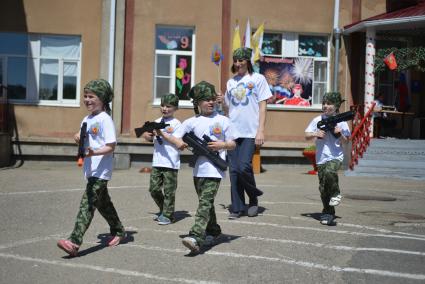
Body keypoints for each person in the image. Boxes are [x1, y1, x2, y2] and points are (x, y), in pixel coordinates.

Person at [158, 81, 236, 254]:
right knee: (206, 203)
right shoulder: (191, 122)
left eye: (212, 99)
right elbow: (176, 137)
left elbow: (233, 143)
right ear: (198, 103)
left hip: (215, 169)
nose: (210, 102)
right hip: (198, 170)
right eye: (206, 100)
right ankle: (214, 230)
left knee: (204, 203)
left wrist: (222, 144)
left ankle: (195, 236)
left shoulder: (223, 120)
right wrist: (179, 143)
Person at [57, 79, 126, 257]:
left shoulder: (105, 119)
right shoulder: (87, 119)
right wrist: (78, 137)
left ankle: (74, 241)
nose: (87, 100)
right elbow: (84, 138)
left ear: (102, 99)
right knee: (104, 204)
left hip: (101, 171)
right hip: (90, 169)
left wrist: (92, 152)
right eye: (85, 96)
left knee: (87, 204)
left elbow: (111, 146)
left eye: (91, 96)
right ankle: (118, 230)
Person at [218, 47, 272, 219]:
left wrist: (261, 130)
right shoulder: (231, 82)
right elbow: (228, 109)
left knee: (243, 167)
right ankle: (237, 207)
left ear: (248, 61)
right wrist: (222, 101)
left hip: (250, 131)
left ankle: (253, 198)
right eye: (235, 60)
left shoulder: (258, 79)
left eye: (241, 60)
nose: (238, 63)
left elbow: (263, 107)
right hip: (232, 131)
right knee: (233, 170)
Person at [305, 92, 351, 226]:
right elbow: (306, 134)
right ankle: (328, 212)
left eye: (329, 103)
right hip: (321, 157)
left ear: (336, 106)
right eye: (324, 103)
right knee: (323, 187)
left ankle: (336, 193)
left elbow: (346, 141)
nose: (325, 106)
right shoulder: (317, 119)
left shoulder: (341, 121)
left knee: (331, 172)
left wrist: (339, 133)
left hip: (335, 156)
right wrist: (316, 133)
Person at [141, 93, 181, 225]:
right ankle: (164, 209)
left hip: (171, 162)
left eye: (168, 106)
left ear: (175, 108)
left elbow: (176, 141)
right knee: (154, 189)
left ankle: (168, 215)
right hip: (157, 161)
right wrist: (147, 135)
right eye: (163, 105)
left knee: (169, 191)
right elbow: (148, 138)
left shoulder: (176, 124)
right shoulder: (157, 122)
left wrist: (161, 133)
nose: (165, 108)